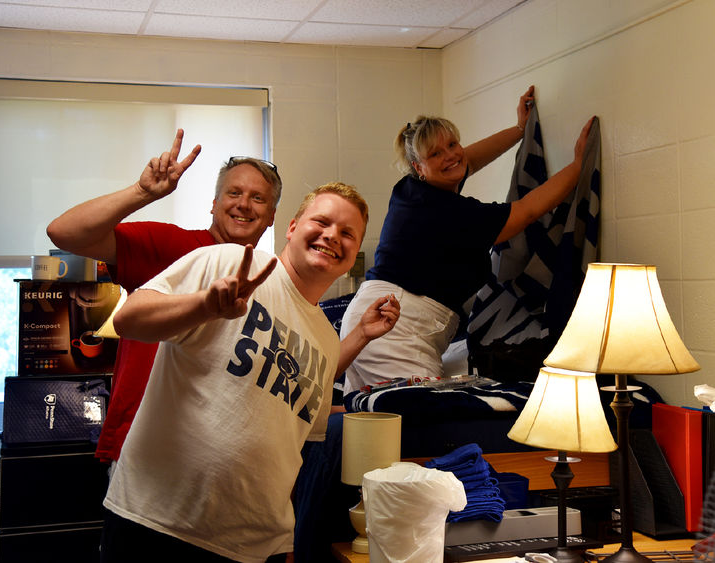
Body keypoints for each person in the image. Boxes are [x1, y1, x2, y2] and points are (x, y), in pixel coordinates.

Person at [100, 183, 399, 563]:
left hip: (257, 548)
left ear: (356, 250)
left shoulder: (325, 336)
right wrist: (206, 305)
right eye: (321, 221)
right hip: (157, 525)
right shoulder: (227, 262)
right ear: (291, 227)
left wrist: (284, 543)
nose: (331, 236)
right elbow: (129, 320)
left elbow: (291, 442)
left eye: (347, 233)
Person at [46, 129, 284, 466]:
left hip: (222, 460)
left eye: (258, 198)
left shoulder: (270, 280)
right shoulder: (171, 247)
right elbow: (64, 232)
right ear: (214, 205)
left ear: (272, 216)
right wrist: (141, 192)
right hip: (148, 452)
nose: (244, 204)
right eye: (234, 193)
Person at [341, 86, 595, 395]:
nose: (450, 156)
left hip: (374, 315)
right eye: (436, 153)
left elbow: (467, 160)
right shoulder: (451, 212)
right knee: (422, 422)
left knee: (373, 422)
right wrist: (577, 168)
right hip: (397, 328)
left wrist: (519, 130)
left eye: (452, 143)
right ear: (419, 167)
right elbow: (527, 211)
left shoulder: (411, 188)